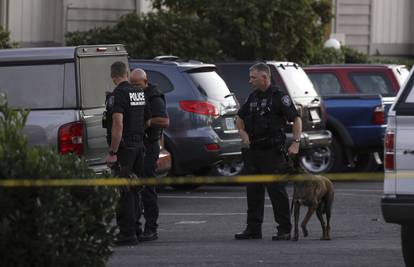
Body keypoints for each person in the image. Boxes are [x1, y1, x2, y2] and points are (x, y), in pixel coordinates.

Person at [234, 62, 302, 241]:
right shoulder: (253, 97)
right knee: (253, 191)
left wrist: (296, 142)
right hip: (254, 151)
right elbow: (239, 117)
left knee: (276, 191)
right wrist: (243, 133)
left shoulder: (279, 97)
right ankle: (253, 229)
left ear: (264, 78)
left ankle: (284, 230)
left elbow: (296, 119)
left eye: (253, 77)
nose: (250, 81)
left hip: (272, 151)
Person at [104, 61, 151, 246]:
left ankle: (127, 233)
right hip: (139, 146)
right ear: (127, 73)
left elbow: (118, 124)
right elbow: (148, 121)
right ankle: (137, 229)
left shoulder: (118, 94)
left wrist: (113, 152)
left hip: (125, 150)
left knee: (124, 192)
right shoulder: (139, 92)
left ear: (114, 76)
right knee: (136, 190)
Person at [130, 68, 169, 242]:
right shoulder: (133, 94)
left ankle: (151, 228)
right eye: (132, 84)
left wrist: (147, 121)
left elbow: (165, 121)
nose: (135, 88)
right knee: (134, 187)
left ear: (145, 82)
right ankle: (134, 226)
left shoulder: (154, 96)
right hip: (137, 146)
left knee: (147, 187)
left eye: (137, 84)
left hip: (149, 145)